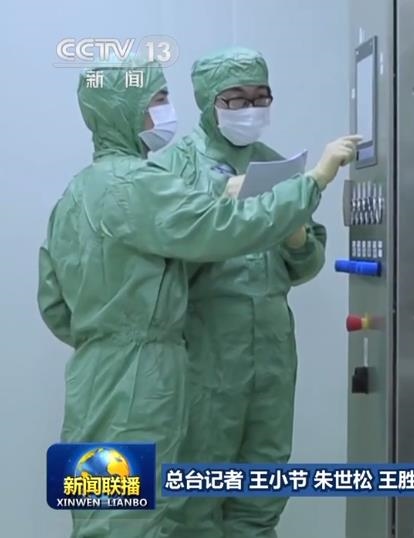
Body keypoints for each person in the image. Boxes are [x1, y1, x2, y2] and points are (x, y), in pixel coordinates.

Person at [36, 57, 360, 538]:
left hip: (96, 373)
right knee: (141, 516)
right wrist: (313, 181)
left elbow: (53, 302)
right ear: (126, 109)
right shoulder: (141, 182)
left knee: (107, 508)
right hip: (146, 376)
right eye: (157, 100)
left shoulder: (79, 190)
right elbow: (219, 229)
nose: (167, 111)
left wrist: (106, 338)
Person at [150, 46, 338, 538]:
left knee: (264, 483)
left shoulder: (277, 166)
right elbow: (159, 261)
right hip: (206, 348)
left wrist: (296, 236)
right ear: (208, 100)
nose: (250, 109)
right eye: (235, 98)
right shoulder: (174, 168)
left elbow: (306, 265)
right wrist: (217, 202)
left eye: (260, 97)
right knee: (195, 489)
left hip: (272, 349)